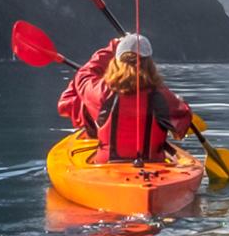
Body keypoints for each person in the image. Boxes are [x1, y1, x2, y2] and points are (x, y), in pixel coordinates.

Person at [58, 33, 192, 164]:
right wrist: (180, 102)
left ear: (115, 62)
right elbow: (183, 123)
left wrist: (113, 46)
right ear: (150, 64)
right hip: (153, 165)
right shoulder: (163, 96)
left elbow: (84, 74)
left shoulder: (101, 92)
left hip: (106, 166)